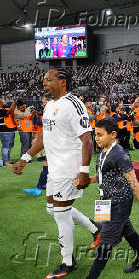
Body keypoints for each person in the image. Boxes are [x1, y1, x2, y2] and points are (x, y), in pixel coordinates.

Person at [12, 68, 101, 278]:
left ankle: (67, 262)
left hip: (69, 168)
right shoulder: (50, 105)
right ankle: (95, 228)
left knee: (61, 213)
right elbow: (44, 135)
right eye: (43, 80)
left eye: (47, 80)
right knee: (53, 210)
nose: (43, 83)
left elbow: (87, 139)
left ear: (62, 82)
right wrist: (25, 158)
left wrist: (83, 172)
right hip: (54, 167)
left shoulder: (73, 104)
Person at [77, 118, 139, 278]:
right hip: (105, 201)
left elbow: (133, 180)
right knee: (126, 229)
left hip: (119, 203)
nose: (96, 138)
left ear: (113, 135)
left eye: (100, 135)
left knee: (105, 242)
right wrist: (87, 180)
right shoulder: (103, 151)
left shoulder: (120, 154)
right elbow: (103, 175)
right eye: (95, 134)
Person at [23, 95, 50, 196]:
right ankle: (41, 186)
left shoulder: (51, 111)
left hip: (55, 145)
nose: (43, 103)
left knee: (47, 165)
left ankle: (39, 188)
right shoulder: (47, 111)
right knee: (47, 165)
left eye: (45, 101)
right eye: (43, 101)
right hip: (50, 142)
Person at [0, 97, 17, 167]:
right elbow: (9, 111)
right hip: (5, 132)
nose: (6, 103)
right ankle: (5, 161)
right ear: (0, 104)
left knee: (9, 146)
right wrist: (14, 103)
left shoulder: (4, 109)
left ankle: (7, 159)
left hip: (9, 130)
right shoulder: (0, 110)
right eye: (4, 102)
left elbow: (11, 111)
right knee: (6, 146)